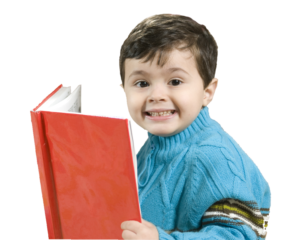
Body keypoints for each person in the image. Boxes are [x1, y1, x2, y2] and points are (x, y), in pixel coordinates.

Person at [118, 12, 271, 240]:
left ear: (207, 92)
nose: (156, 95)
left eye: (175, 81)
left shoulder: (212, 157)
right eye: (142, 83)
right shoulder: (154, 145)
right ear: (124, 91)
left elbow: (238, 236)